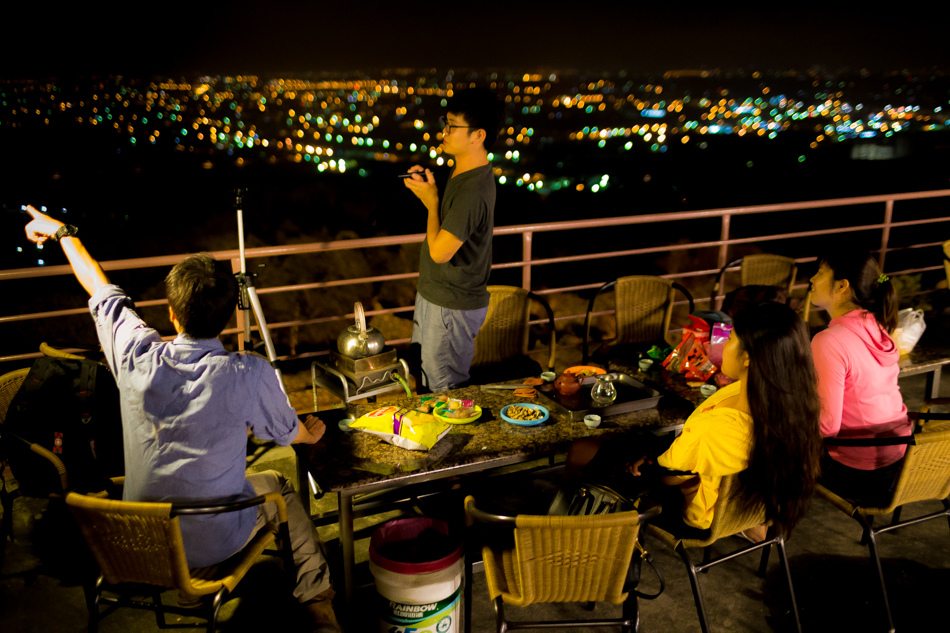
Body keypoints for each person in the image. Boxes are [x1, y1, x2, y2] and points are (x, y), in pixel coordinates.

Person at [23, 207, 341, 632]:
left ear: (172, 313)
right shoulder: (247, 372)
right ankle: (318, 603)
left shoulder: (136, 356)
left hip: (138, 540)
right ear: (227, 317)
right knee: (279, 485)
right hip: (216, 545)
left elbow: (98, 286)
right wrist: (308, 432)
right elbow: (287, 433)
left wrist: (62, 233)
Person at [568, 302, 823, 539]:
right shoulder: (794, 404)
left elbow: (668, 475)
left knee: (584, 450)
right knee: (634, 446)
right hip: (751, 505)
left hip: (697, 517)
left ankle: (581, 537)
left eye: (730, 339)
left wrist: (646, 460)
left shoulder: (722, 425)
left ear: (748, 357)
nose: (722, 345)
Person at [403, 88, 502, 391]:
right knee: (425, 383)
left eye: (452, 126)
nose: (444, 132)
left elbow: (441, 252)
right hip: (439, 299)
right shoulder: (464, 172)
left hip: (450, 307)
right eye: (445, 124)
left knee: (444, 392)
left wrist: (432, 202)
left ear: (478, 135)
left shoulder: (472, 189)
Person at [809, 251, 911, 506]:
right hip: (900, 462)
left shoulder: (830, 340)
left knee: (763, 439)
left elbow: (826, 426)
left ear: (842, 286)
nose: (811, 279)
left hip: (860, 472)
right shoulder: (876, 326)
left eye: (820, 273)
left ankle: (756, 525)